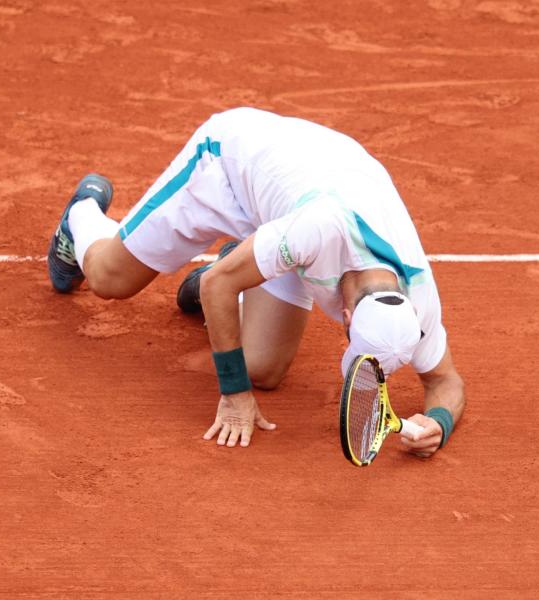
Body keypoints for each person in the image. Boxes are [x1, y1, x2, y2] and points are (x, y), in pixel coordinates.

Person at [47, 107, 465, 455]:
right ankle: (81, 214)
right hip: (228, 168)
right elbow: (216, 287)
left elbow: (445, 381)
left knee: (262, 369)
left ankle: (243, 263)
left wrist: (439, 422)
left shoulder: (419, 298)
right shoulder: (319, 228)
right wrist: (234, 395)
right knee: (109, 278)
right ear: (348, 315)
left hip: (301, 198)